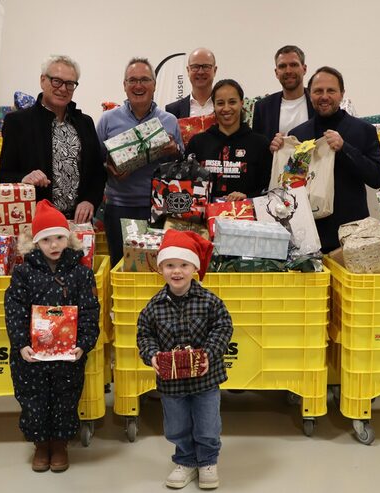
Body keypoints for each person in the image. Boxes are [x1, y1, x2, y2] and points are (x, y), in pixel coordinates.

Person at [4, 199, 100, 473]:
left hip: (68, 356)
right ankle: (40, 444)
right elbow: (14, 310)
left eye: (59, 237)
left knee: (65, 398)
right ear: (36, 243)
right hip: (32, 356)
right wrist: (21, 344)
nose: (54, 245)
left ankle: (59, 444)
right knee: (33, 399)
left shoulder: (82, 273)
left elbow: (91, 311)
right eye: (46, 240)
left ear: (68, 239)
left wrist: (83, 344)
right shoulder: (23, 273)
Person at [137, 230, 233, 490]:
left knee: (207, 423)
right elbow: (144, 334)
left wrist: (210, 354)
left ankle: (208, 461)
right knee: (176, 424)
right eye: (169, 265)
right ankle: (186, 460)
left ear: (194, 268)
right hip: (172, 383)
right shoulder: (154, 306)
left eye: (183, 265)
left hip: (206, 378)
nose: (176, 271)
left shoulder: (210, 301)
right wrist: (152, 356)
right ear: (161, 269)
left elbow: (223, 328)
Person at [284, 66, 380, 253]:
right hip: (310, 235)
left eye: (331, 90)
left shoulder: (363, 130)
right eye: (318, 91)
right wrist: (279, 151)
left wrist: (344, 148)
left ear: (342, 94)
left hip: (352, 235)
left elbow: (377, 178)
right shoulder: (298, 134)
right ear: (309, 94)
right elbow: (289, 184)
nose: (324, 96)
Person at [95, 57, 183, 266]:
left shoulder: (169, 120)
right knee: (122, 266)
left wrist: (174, 151)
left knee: (159, 267)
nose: (138, 85)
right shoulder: (108, 120)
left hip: (158, 209)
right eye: (132, 80)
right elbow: (94, 161)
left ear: (154, 85)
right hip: (119, 207)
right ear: (124, 86)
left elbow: (181, 163)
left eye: (144, 80)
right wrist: (109, 168)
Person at [0, 55, 106, 223]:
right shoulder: (18, 122)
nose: (63, 89)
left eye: (70, 84)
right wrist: (24, 178)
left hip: (77, 224)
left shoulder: (85, 123)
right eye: (56, 81)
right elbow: (4, 174)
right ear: (43, 80)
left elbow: (98, 173)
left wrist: (90, 200)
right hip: (36, 223)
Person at [185, 79, 271, 201]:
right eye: (220, 103)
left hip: (247, 216)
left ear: (241, 103)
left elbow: (267, 188)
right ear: (213, 106)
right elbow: (186, 184)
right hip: (205, 216)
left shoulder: (260, 144)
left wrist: (248, 197)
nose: (226, 108)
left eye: (232, 102)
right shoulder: (197, 143)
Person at [252, 45, 315, 147]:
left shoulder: (318, 102)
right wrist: (270, 149)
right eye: (282, 66)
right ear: (276, 72)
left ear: (304, 69)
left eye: (294, 65)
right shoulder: (263, 108)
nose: (288, 71)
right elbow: (257, 148)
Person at [165, 48, 218, 118]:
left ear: (214, 70)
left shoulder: (226, 107)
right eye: (195, 67)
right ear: (188, 70)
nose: (200, 72)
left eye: (206, 66)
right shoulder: (173, 110)